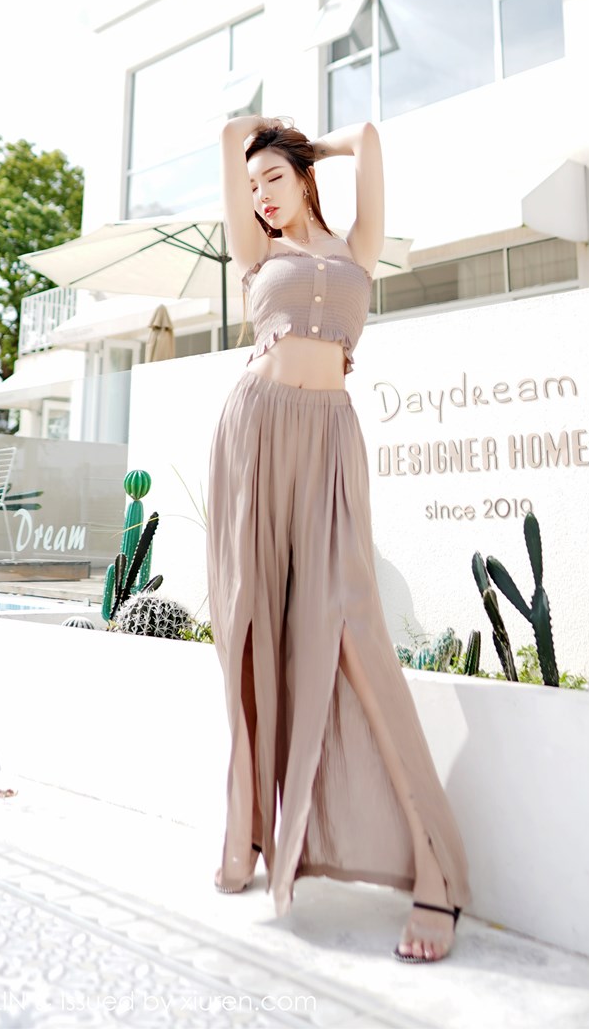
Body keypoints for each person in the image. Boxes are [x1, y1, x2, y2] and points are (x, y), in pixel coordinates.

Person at [205, 115, 472, 964]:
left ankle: (436, 871)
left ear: (304, 178)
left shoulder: (357, 248)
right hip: (255, 435)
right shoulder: (257, 252)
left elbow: (368, 140)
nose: (261, 196)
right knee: (252, 628)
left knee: (352, 632)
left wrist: (310, 149)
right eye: (253, 186)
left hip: (328, 442)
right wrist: (258, 153)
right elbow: (230, 135)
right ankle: (248, 832)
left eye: (274, 180)